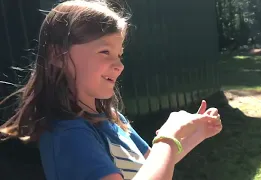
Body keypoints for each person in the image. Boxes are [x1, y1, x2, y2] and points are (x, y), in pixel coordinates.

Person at [0, 0, 222, 180]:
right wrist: (168, 136)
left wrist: (197, 133)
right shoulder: (68, 134)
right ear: (58, 56)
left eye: (119, 55)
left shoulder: (111, 119)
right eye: (105, 51)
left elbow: (151, 164)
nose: (119, 65)